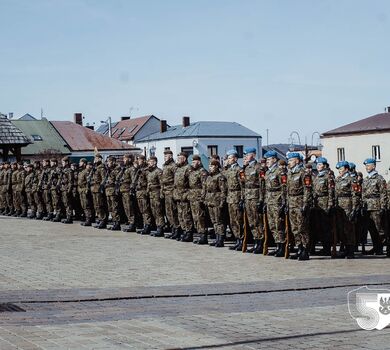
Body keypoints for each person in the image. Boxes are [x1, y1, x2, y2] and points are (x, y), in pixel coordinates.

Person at [285, 152, 312, 260]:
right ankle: (299, 248)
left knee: (302, 227)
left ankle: (305, 250)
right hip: (292, 202)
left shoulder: (303, 172)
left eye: (291, 161)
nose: (289, 163)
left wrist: (305, 204)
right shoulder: (290, 173)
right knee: (295, 228)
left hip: (300, 202)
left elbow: (307, 189)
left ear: (296, 161)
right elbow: (287, 189)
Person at [361, 158, 388, 255]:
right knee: (371, 229)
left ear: (374, 166)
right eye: (366, 166)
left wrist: (382, 207)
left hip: (376, 206)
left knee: (379, 229)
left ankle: (384, 246)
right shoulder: (366, 179)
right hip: (367, 207)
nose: (366, 167)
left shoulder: (379, 179)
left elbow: (383, 194)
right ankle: (377, 247)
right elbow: (363, 194)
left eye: (368, 165)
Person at [263, 150, 287, 257]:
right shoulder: (268, 172)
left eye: (269, 159)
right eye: (266, 160)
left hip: (277, 200)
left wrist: (283, 202)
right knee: (272, 225)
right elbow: (266, 188)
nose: (267, 161)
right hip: (269, 200)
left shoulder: (279, 172)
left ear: (274, 159)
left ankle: (282, 246)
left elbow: (284, 188)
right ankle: (277, 246)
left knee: (279, 224)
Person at [334, 161, 359, 259]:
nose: (340, 171)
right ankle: (344, 248)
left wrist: (354, 208)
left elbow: (355, 194)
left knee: (349, 228)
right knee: (341, 228)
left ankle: (350, 250)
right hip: (339, 206)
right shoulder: (338, 179)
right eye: (339, 169)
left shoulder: (352, 179)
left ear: (346, 169)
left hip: (348, 204)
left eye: (341, 169)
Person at [310, 157, 334, 256]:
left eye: (320, 165)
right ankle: (323, 247)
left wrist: (329, 205)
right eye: (317, 165)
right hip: (317, 204)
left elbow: (331, 192)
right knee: (318, 227)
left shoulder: (328, 176)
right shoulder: (317, 176)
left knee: (326, 227)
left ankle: (327, 248)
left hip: (324, 203)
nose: (318, 166)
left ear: (324, 166)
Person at [242, 147, 263, 254]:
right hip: (247, 197)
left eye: (248, 154)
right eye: (245, 155)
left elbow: (262, 184)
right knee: (251, 222)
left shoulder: (258, 167)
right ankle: (256, 241)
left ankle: (261, 242)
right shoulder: (246, 168)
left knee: (257, 220)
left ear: (254, 155)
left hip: (255, 196)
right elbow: (243, 185)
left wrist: (261, 199)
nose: (245, 156)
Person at [203, 159, 227, 247]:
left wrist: (222, 202)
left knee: (219, 220)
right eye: (209, 166)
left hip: (217, 201)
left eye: (212, 166)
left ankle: (220, 239)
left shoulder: (220, 177)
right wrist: (205, 199)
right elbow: (206, 189)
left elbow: (223, 190)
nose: (210, 168)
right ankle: (217, 238)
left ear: (216, 167)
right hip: (210, 201)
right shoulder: (209, 177)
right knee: (213, 221)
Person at [224, 149, 244, 251]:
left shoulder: (239, 170)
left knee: (238, 220)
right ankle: (237, 239)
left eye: (230, 158)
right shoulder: (228, 170)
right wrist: (225, 164)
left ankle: (241, 240)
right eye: (228, 158)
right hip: (230, 197)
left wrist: (242, 199)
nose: (229, 159)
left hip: (236, 196)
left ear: (235, 159)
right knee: (232, 221)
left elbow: (242, 186)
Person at [173, 152, 193, 241]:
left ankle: (189, 232)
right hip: (178, 195)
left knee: (186, 215)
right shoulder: (178, 168)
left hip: (185, 195)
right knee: (180, 215)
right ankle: (184, 231)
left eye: (179, 158)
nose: (178, 160)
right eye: (177, 158)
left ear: (184, 159)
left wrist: (187, 194)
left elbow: (191, 183)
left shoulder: (188, 168)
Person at [188, 155, 208, 244]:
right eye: (192, 162)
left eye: (194, 162)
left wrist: (202, 197)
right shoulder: (192, 171)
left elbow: (204, 186)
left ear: (199, 162)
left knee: (200, 217)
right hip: (192, 197)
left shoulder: (202, 171)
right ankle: (199, 234)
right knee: (195, 217)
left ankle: (203, 235)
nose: (193, 163)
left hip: (199, 197)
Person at [161, 150, 179, 238]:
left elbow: (176, 179)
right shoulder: (165, 166)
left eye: (166, 156)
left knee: (173, 211)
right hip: (166, 191)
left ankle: (176, 229)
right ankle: (172, 229)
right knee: (168, 212)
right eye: (164, 156)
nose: (165, 158)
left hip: (171, 190)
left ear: (171, 156)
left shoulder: (173, 166)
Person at [146, 156, 165, 237]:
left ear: (154, 162)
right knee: (154, 211)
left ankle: (160, 228)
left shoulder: (158, 171)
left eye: (150, 162)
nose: (148, 163)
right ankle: (157, 226)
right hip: (151, 194)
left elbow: (162, 184)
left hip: (157, 193)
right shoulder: (149, 172)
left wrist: (161, 194)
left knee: (158, 211)